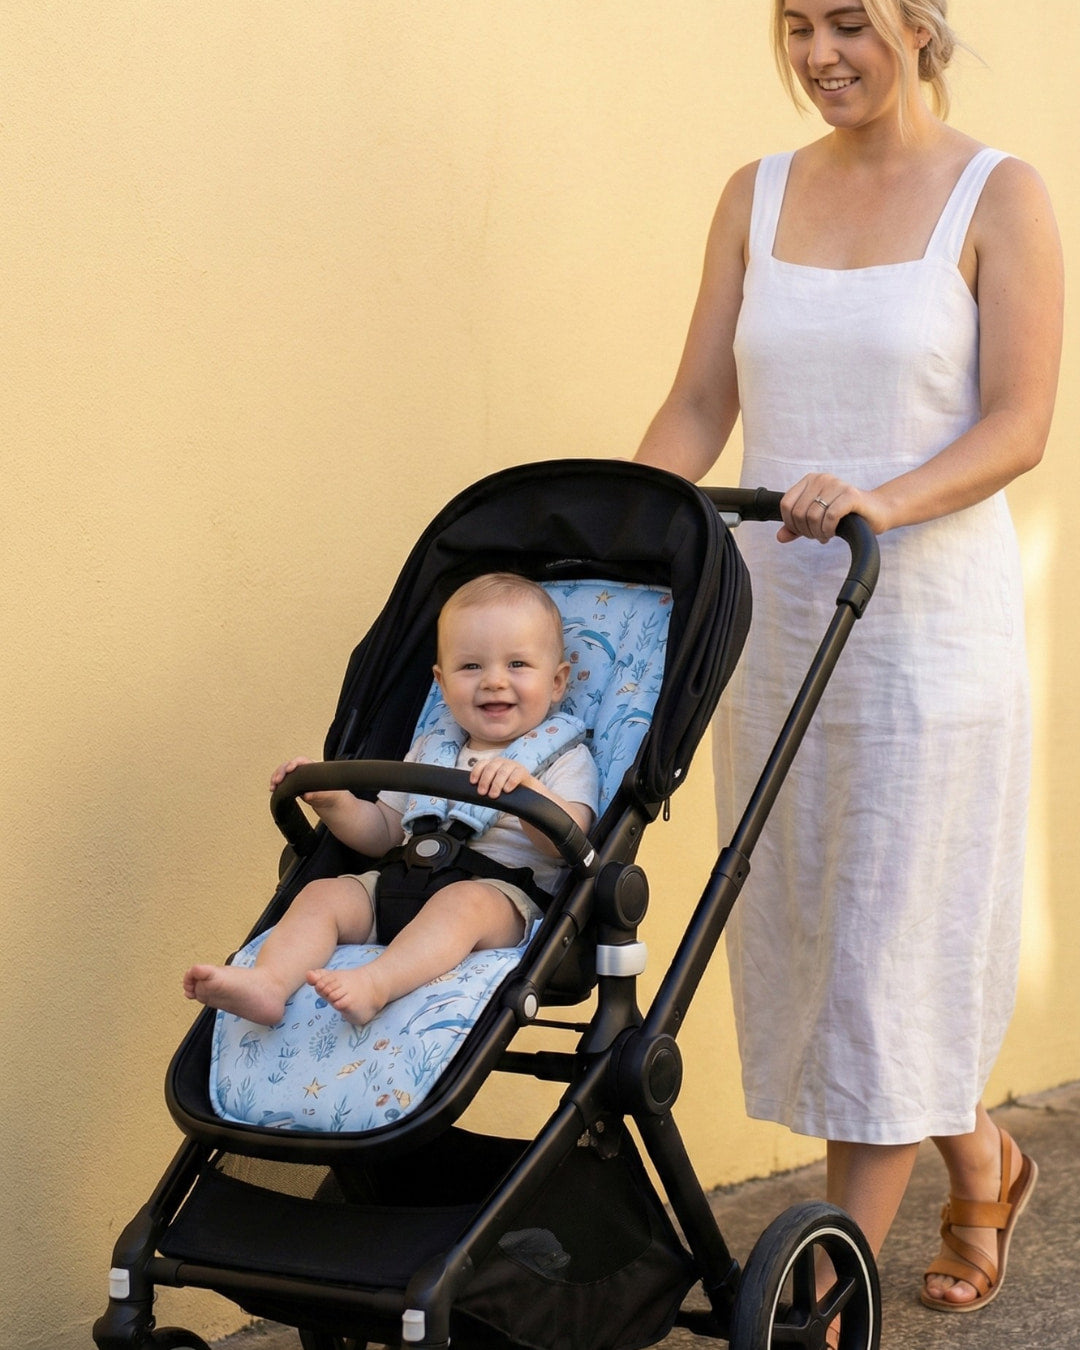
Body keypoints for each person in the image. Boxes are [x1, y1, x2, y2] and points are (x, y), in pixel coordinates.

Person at [634, 0, 1062, 1319]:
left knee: (888, 940)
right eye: (803, 25)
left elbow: (1020, 422)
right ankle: (985, 1163)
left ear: (921, 26)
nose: (825, 53)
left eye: (855, 25)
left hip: (925, 634)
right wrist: (618, 518)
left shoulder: (1002, 196)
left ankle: (826, 1290)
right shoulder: (753, 196)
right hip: (778, 631)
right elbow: (703, 398)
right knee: (834, 939)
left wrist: (888, 494)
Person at [184, 572, 599, 1028]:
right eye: (471, 667)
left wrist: (529, 793)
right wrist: (332, 801)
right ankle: (268, 983)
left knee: (464, 904)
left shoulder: (567, 758)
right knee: (324, 893)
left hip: (501, 901)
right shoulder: (430, 749)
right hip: (400, 881)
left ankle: (375, 984)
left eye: (517, 665)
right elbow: (382, 832)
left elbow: (569, 841)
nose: (494, 682)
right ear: (440, 683)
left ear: (558, 682)